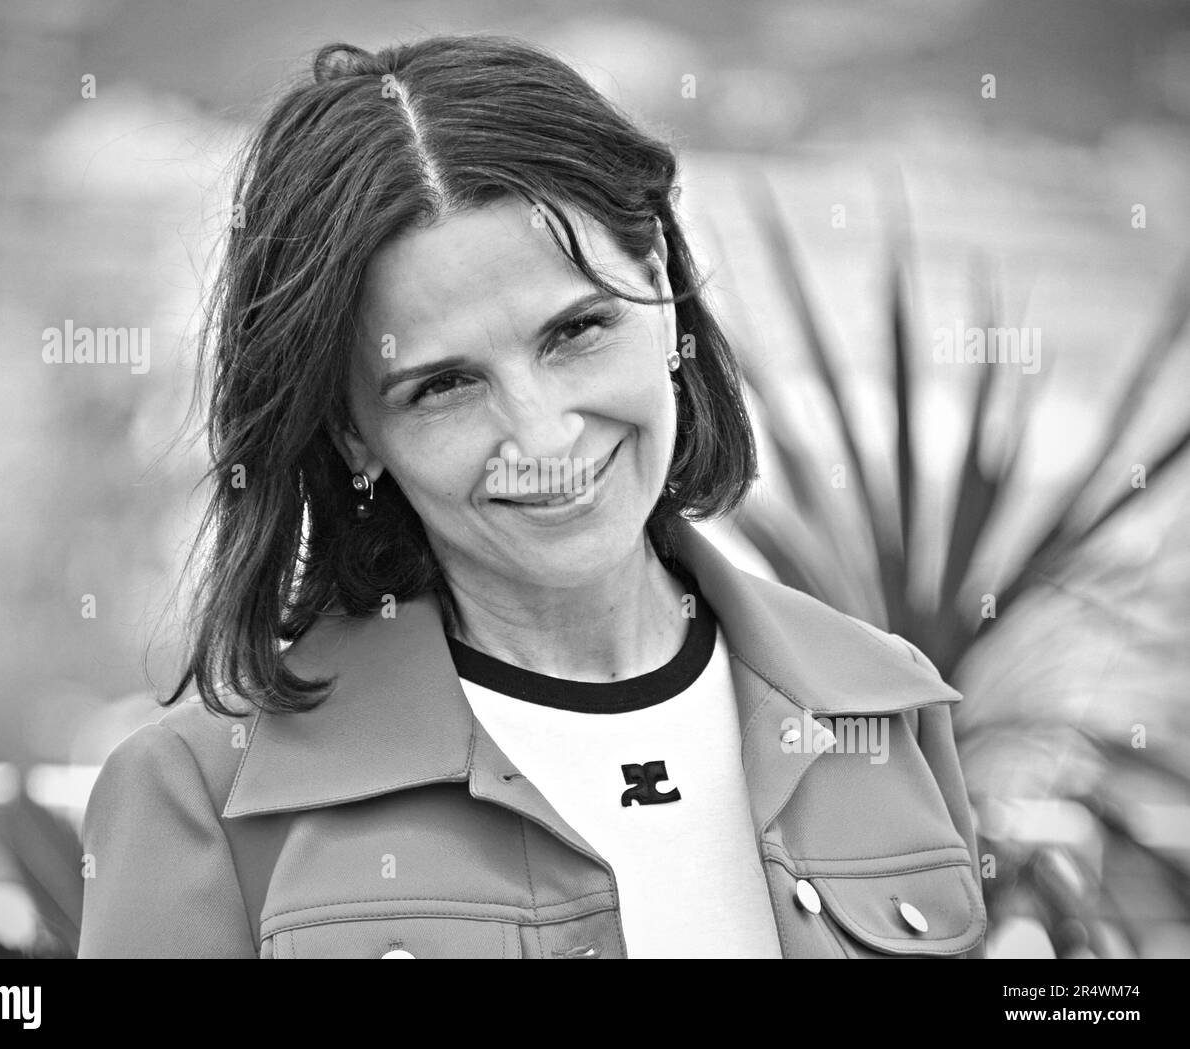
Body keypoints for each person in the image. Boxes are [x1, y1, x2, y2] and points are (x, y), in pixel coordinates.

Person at [78, 34, 986, 959]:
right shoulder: (198, 797)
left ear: (663, 292)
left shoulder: (887, 710)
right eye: (442, 386)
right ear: (354, 431)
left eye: (578, 330)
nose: (545, 436)